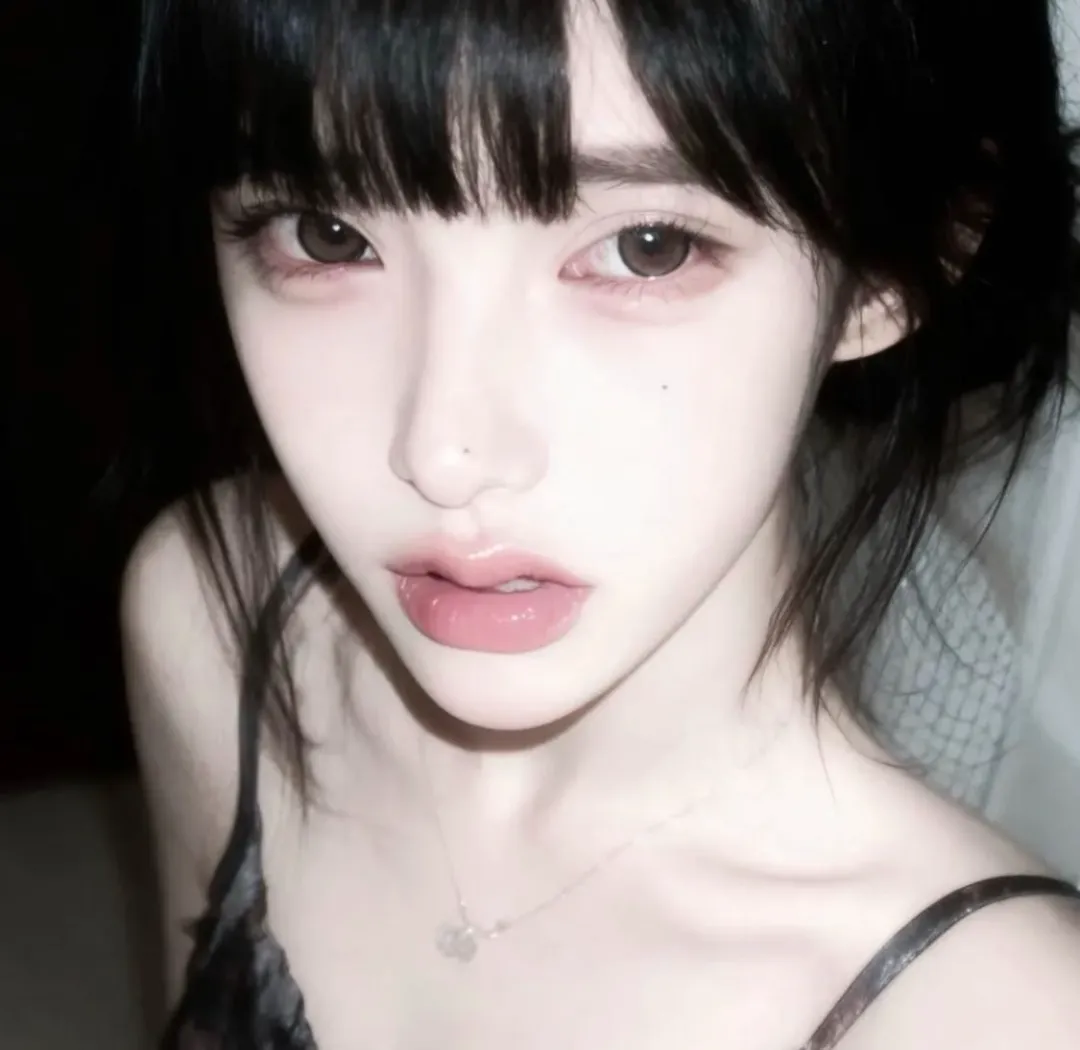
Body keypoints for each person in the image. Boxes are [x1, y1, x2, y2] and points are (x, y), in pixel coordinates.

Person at [122, 0, 1080, 1047]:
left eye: (645, 248)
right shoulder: (217, 622)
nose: (446, 453)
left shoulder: (1001, 1017)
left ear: (890, 269)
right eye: (328, 234)